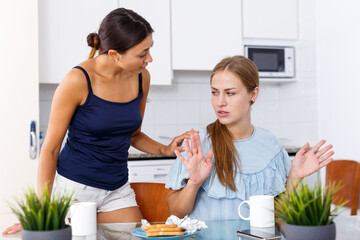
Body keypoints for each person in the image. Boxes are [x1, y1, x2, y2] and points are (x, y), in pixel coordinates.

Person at [3, 8, 194, 234]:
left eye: (149, 49)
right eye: (142, 53)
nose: (149, 59)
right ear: (114, 54)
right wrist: (43, 213)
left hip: (117, 190)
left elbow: (133, 134)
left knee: (135, 237)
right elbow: (51, 149)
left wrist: (166, 148)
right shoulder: (78, 79)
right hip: (75, 190)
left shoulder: (142, 76)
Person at [165, 55, 334, 220]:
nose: (220, 102)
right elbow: (176, 212)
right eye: (215, 92)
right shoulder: (198, 143)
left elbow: (274, 217)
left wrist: (295, 177)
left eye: (230, 93)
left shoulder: (270, 144)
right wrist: (193, 183)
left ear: (253, 95)